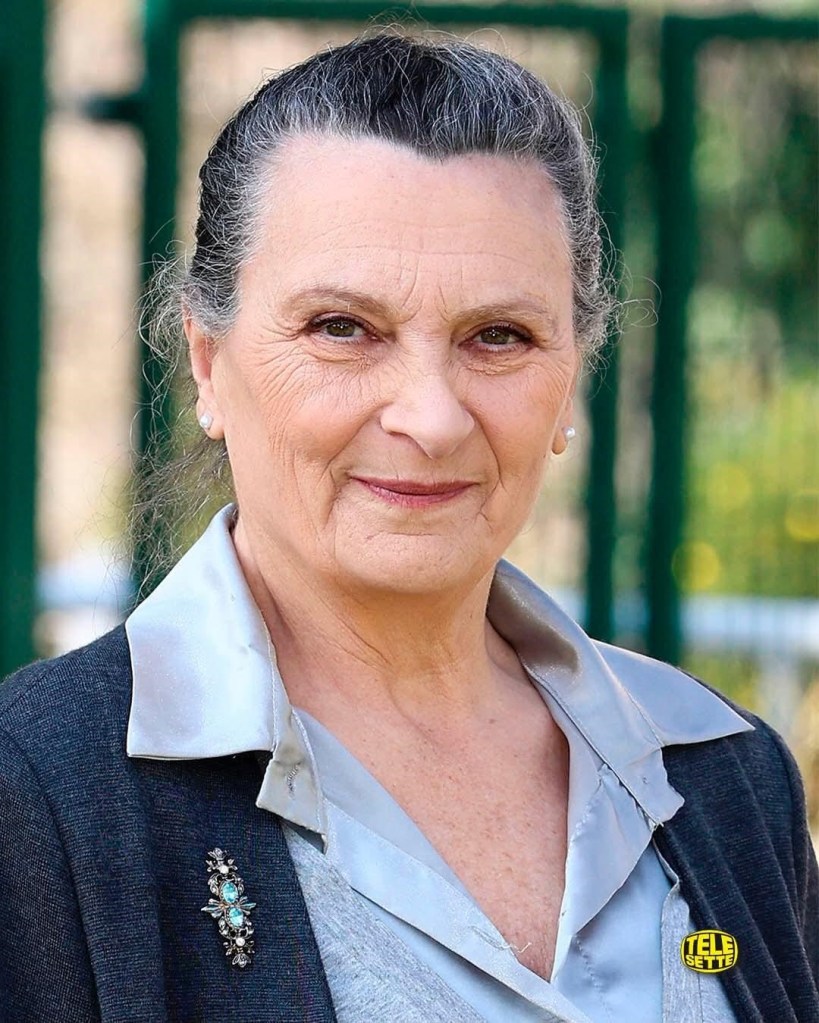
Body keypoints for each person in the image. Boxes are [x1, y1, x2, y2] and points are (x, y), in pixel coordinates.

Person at [1, 29, 816, 1023]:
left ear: (572, 378)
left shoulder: (726, 776)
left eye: (499, 336)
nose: (429, 417)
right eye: (343, 328)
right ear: (208, 364)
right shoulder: (41, 798)